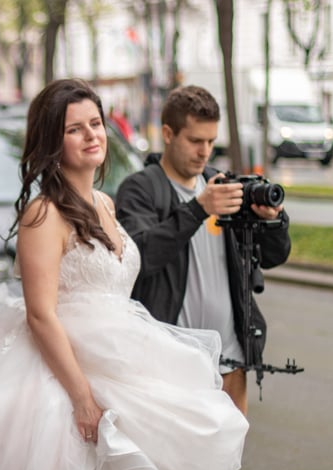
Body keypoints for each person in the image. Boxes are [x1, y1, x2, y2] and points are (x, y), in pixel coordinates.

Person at [0, 78, 249, 470]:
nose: (92, 135)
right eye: (75, 129)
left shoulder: (105, 203)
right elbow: (40, 314)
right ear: (54, 141)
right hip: (61, 368)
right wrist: (81, 397)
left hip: (121, 352)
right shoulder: (43, 213)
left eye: (95, 124)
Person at [115, 85, 291, 414]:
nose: (205, 152)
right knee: (174, 447)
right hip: (170, 362)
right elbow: (140, 257)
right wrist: (199, 208)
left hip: (230, 361)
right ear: (168, 134)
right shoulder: (140, 189)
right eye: (195, 141)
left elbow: (274, 257)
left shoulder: (222, 185)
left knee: (231, 448)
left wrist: (273, 221)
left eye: (211, 141)